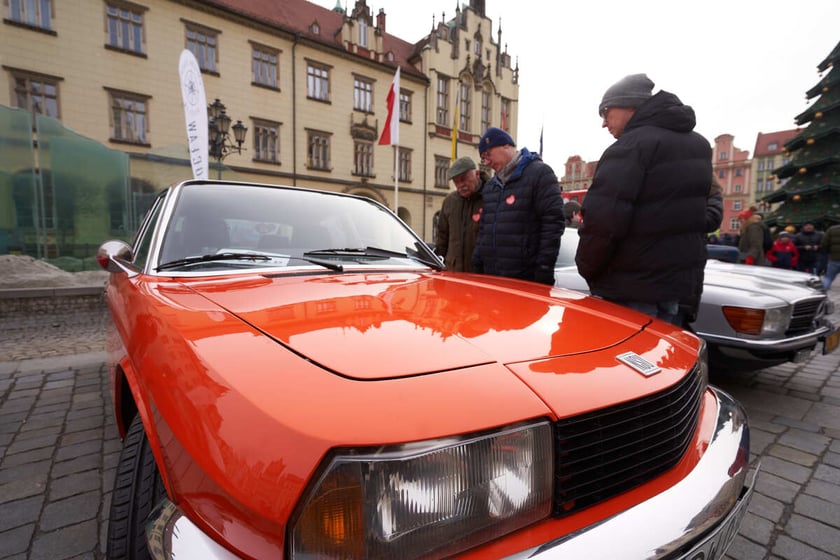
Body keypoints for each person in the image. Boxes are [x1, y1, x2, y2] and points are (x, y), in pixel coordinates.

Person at [575, 73, 713, 327]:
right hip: (674, 288)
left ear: (629, 105)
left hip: (630, 288)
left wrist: (586, 267)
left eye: (606, 113)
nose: (604, 123)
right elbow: (702, 213)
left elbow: (604, 220)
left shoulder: (631, 146)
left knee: (624, 361)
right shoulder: (699, 146)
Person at [471, 127, 565, 285]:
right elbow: (484, 231)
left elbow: (553, 225)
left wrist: (543, 269)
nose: (486, 162)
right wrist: (477, 263)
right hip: (491, 279)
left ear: (506, 146)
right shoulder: (490, 187)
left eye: (487, 154)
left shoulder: (540, 174)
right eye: (483, 158)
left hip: (525, 279)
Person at [434, 156, 485, 272]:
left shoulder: (490, 197)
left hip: (481, 275)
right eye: (456, 181)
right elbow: (442, 238)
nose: (460, 185)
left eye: (464, 179)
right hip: (453, 272)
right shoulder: (449, 202)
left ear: (477, 174)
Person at [820, 224, 840, 290]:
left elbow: (824, 243)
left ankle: (823, 291)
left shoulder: (832, 229)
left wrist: (829, 251)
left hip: (834, 258)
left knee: (828, 277)